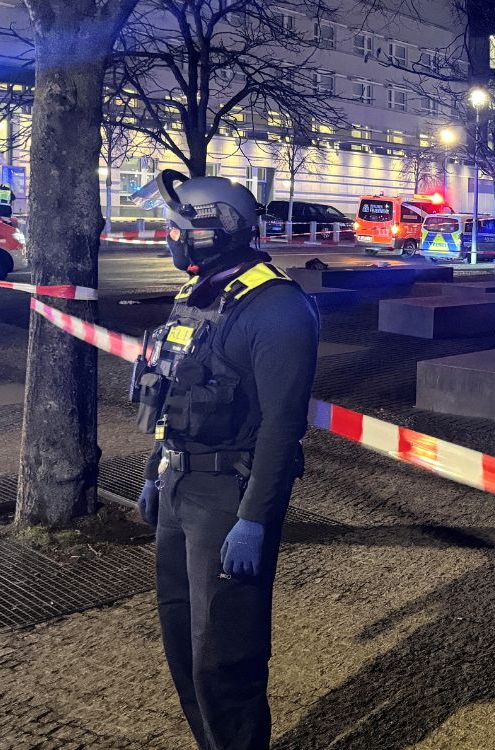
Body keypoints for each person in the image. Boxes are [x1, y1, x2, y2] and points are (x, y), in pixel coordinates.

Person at [133, 169, 319, 750]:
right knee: (182, 642)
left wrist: (255, 518)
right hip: (179, 486)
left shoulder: (278, 308)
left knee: (226, 657)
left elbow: (281, 425)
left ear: (214, 231)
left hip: (228, 498)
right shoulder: (202, 293)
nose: (168, 236)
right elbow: (173, 389)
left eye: (176, 227)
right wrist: (154, 471)